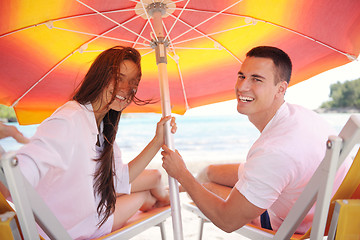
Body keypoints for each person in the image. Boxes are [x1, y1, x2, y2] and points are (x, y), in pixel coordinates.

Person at [161, 46, 350, 234]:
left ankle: (167, 195)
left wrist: (182, 174)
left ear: (281, 88)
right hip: (319, 205)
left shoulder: (273, 151)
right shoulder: (302, 116)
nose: (241, 87)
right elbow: (272, 165)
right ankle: (171, 193)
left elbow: (227, 220)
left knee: (209, 188)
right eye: (242, 76)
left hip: (296, 224)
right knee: (208, 172)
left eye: (256, 79)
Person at [5, 46, 176, 239]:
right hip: (75, 228)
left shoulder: (101, 126)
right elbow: (18, 176)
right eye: (119, 78)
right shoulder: (68, 120)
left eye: (133, 83)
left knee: (148, 187)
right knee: (145, 194)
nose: (127, 89)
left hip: (90, 213)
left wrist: (157, 141)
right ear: (100, 76)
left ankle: (164, 197)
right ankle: (167, 197)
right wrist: (8, 146)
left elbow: (119, 179)